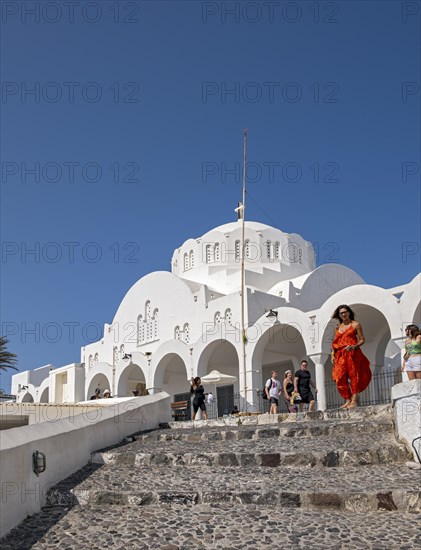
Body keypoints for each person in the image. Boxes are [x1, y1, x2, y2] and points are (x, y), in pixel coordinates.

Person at [331, 304, 371, 409]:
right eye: (341, 313)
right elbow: (335, 341)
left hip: (353, 353)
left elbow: (362, 339)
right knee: (339, 377)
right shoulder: (338, 327)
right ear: (339, 315)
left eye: (345, 312)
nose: (343, 314)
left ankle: (354, 401)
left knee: (354, 376)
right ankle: (347, 399)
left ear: (349, 312)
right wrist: (333, 354)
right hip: (340, 354)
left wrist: (354, 346)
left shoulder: (355, 325)